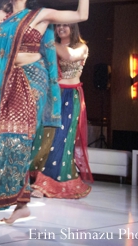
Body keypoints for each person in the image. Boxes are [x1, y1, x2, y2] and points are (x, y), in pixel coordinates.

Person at [0, 0, 89, 223]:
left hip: (33, 81)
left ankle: (10, 200)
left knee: (20, 139)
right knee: (5, 138)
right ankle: (19, 202)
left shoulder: (40, 15)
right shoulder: (1, 17)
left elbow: (81, 14)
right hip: (8, 82)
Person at [30, 23, 93, 199]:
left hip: (69, 98)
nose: (61, 29)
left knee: (60, 139)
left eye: (66, 25)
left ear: (74, 29)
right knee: (43, 137)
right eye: (58, 26)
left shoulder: (81, 47)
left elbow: (68, 55)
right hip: (52, 96)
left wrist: (47, 38)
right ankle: (35, 178)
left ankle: (47, 184)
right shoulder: (51, 47)